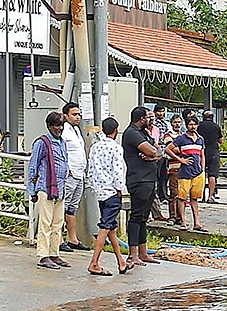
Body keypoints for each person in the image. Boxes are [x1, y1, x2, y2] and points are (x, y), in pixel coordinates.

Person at [85, 117, 129, 276]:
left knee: (111, 228)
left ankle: (121, 261)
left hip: (100, 191)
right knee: (105, 227)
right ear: (116, 130)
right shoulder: (116, 148)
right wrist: (120, 189)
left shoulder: (95, 147)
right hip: (111, 191)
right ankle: (94, 263)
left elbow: (90, 169)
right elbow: (118, 171)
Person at [27, 111, 70, 270]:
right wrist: (31, 191)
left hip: (60, 188)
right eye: (57, 125)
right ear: (49, 126)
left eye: (62, 125)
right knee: (45, 222)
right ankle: (43, 255)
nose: (60, 128)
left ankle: (54, 253)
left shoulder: (62, 142)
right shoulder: (42, 143)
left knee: (58, 223)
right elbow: (33, 167)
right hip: (45, 187)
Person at [122, 105, 162, 267]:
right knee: (137, 216)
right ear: (141, 119)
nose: (150, 120)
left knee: (144, 218)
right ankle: (133, 254)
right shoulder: (131, 133)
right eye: (148, 117)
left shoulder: (143, 133)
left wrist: (153, 155)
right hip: (139, 179)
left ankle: (143, 252)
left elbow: (158, 151)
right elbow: (153, 151)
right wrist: (153, 153)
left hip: (150, 179)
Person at [58, 101, 90, 253]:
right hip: (70, 174)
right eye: (74, 114)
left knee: (72, 207)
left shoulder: (76, 130)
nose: (78, 117)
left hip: (79, 174)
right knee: (62, 206)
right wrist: (67, 170)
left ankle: (73, 239)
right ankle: (58, 239)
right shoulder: (63, 131)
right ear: (66, 116)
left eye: (78, 114)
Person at [168, 115, 207, 231]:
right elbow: (168, 149)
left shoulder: (200, 139)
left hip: (198, 172)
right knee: (182, 198)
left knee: (195, 198)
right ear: (186, 125)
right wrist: (181, 160)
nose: (193, 126)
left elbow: (202, 155)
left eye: (194, 124)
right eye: (190, 124)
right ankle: (183, 222)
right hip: (185, 172)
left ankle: (197, 223)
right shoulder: (182, 138)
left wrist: (202, 169)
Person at [199, 109, 223, 203]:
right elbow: (221, 140)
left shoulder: (199, 126)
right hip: (213, 152)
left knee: (200, 173)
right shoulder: (216, 126)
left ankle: (199, 195)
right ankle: (210, 196)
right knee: (212, 175)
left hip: (201, 152)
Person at [163, 114, 183, 223]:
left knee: (182, 194)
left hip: (184, 168)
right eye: (175, 122)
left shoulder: (184, 135)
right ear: (171, 123)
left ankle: (180, 217)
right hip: (173, 167)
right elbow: (173, 149)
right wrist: (184, 150)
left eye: (179, 122)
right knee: (173, 193)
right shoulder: (168, 135)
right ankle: (172, 216)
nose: (177, 124)